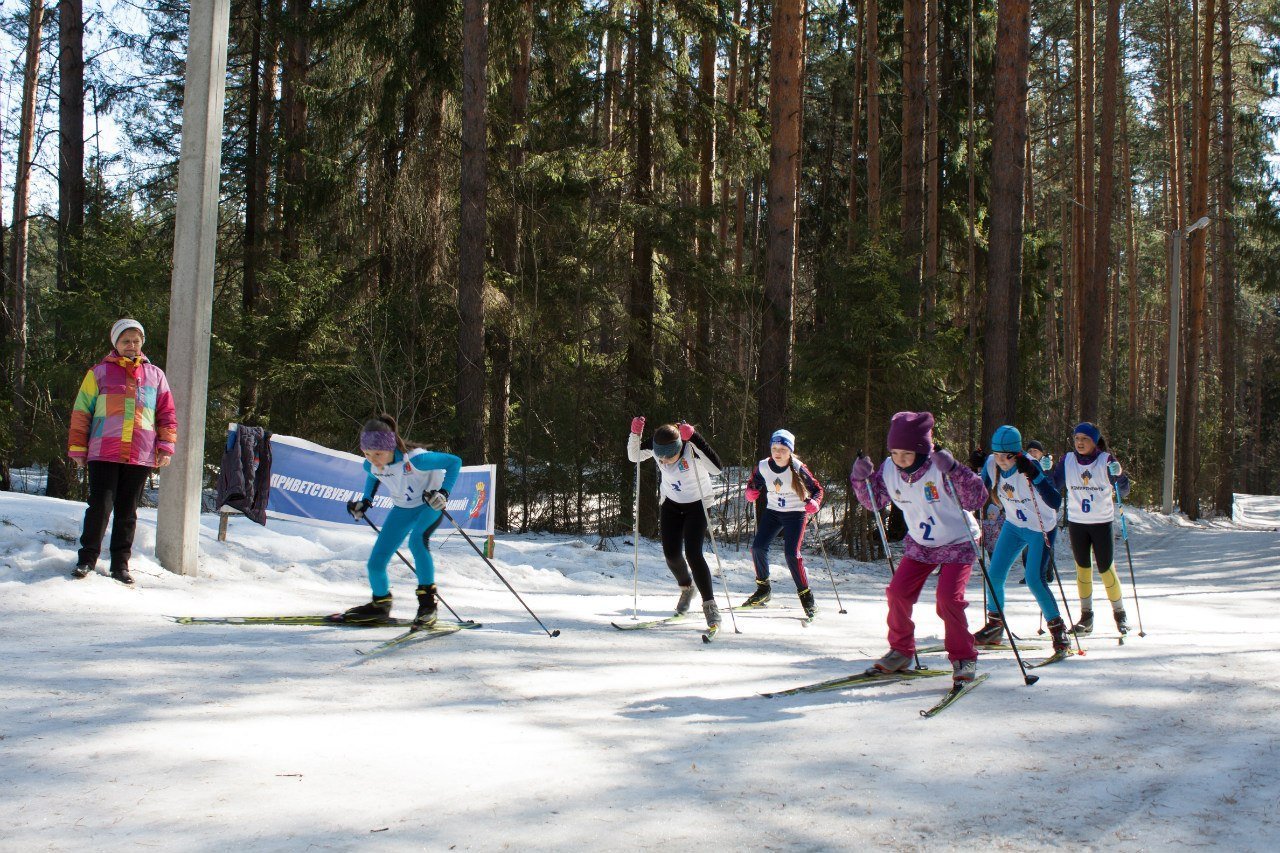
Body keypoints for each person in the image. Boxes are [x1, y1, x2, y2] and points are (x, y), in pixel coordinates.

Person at [849, 411, 985, 686]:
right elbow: (873, 502)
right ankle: (900, 650)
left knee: (948, 599)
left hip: (957, 543)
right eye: (895, 452)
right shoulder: (890, 469)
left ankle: (963, 656)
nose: (900, 459)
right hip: (922, 545)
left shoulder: (940, 468)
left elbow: (977, 498)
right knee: (897, 593)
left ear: (923, 450)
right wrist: (860, 479)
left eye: (907, 453)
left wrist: (956, 470)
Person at [68, 319, 178, 585]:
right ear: (115, 343)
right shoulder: (99, 373)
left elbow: (166, 413)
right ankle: (87, 559)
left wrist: (165, 445)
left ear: (142, 343)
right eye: (125, 341)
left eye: (136, 341)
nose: (131, 346)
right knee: (99, 507)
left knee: (127, 512)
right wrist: (78, 447)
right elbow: (82, 412)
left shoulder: (155, 375)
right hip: (104, 450)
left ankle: (120, 565)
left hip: (139, 452)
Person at [343, 415, 461, 627]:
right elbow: (372, 475)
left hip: (428, 505)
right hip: (402, 510)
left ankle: (427, 605)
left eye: (378, 454)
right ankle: (380, 605)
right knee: (375, 563)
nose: (373, 460)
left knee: (416, 542)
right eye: (367, 454)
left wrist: (444, 492)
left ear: (390, 447)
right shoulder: (371, 464)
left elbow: (454, 462)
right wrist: (365, 502)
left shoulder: (416, 460)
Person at [974, 426, 1069, 654]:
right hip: (1014, 525)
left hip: (1040, 528)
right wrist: (972, 472)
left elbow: (1055, 501)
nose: (1000, 461)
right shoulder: (992, 464)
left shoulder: (1029, 465)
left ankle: (1058, 630)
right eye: (996, 455)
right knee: (994, 574)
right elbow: (978, 494)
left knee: (1034, 579)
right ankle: (995, 626)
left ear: (1016, 453)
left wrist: (1035, 475)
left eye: (1005, 457)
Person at [627, 418, 724, 632]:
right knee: (671, 554)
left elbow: (717, 468)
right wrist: (635, 435)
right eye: (660, 457)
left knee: (693, 553)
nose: (664, 461)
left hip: (698, 504)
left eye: (669, 456)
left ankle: (710, 605)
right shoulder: (656, 447)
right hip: (671, 503)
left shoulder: (691, 448)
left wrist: (696, 437)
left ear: (679, 448)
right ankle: (687, 588)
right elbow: (634, 457)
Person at [1048, 422, 1132, 635]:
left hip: (1101, 523)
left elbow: (1124, 490)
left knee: (1106, 569)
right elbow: (1052, 486)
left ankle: (1120, 614)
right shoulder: (1067, 461)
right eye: (1077, 439)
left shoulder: (1105, 460)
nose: (1080, 443)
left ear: (1094, 441)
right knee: (1083, 570)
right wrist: (1044, 470)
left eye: (1085, 439)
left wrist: (1120, 474)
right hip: (1078, 523)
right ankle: (1086, 617)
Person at [741, 429, 824, 618]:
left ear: (790, 451)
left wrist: (815, 503)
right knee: (758, 548)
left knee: (791, 555)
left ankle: (807, 599)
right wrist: (750, 492)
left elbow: (817, 489)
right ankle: (763, 590)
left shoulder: (797, 466)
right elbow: (753, 484)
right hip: (773, 513)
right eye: (774, 448)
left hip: (795, 514)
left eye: (783, 449)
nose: (777, 453)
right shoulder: (763, 466)